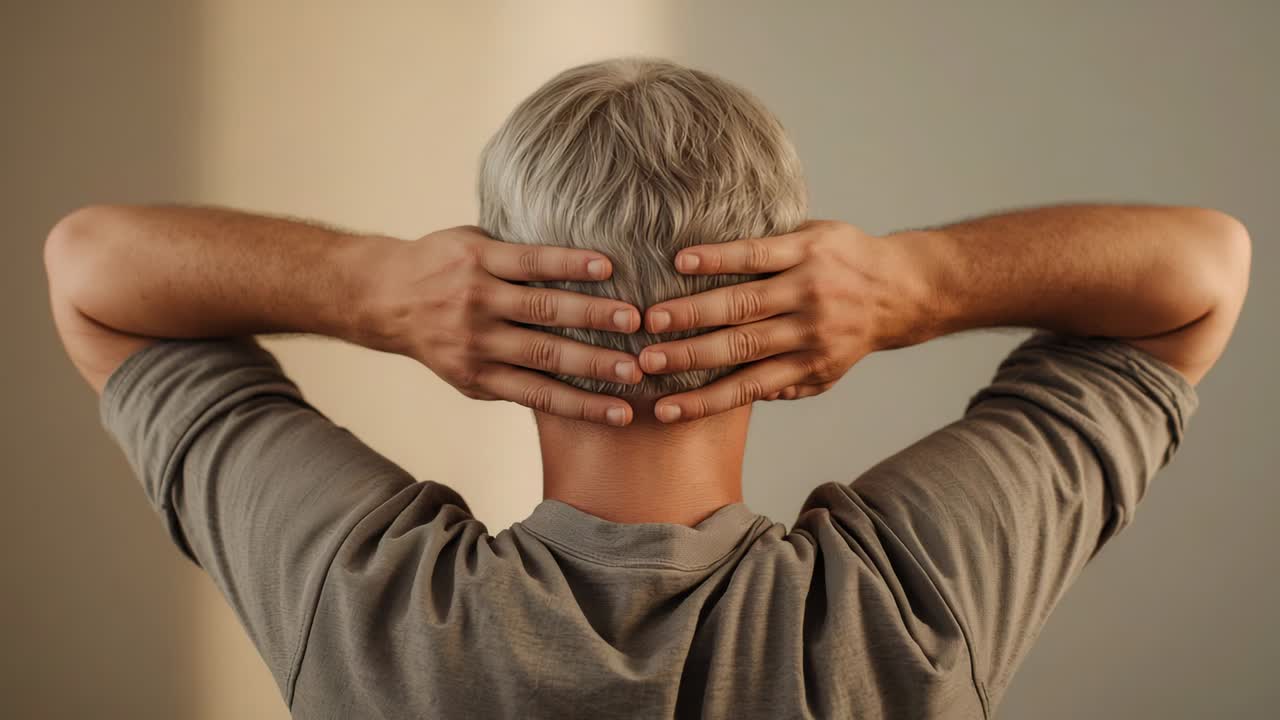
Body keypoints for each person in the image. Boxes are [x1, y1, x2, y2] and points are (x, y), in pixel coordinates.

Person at [44, 58, 1249, 719]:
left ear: (490, 284)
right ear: (784, 285)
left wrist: (372, 288)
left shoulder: (374, 612)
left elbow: (94, 272)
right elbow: (1197, 274)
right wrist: (912, 282)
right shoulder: (902, 613)